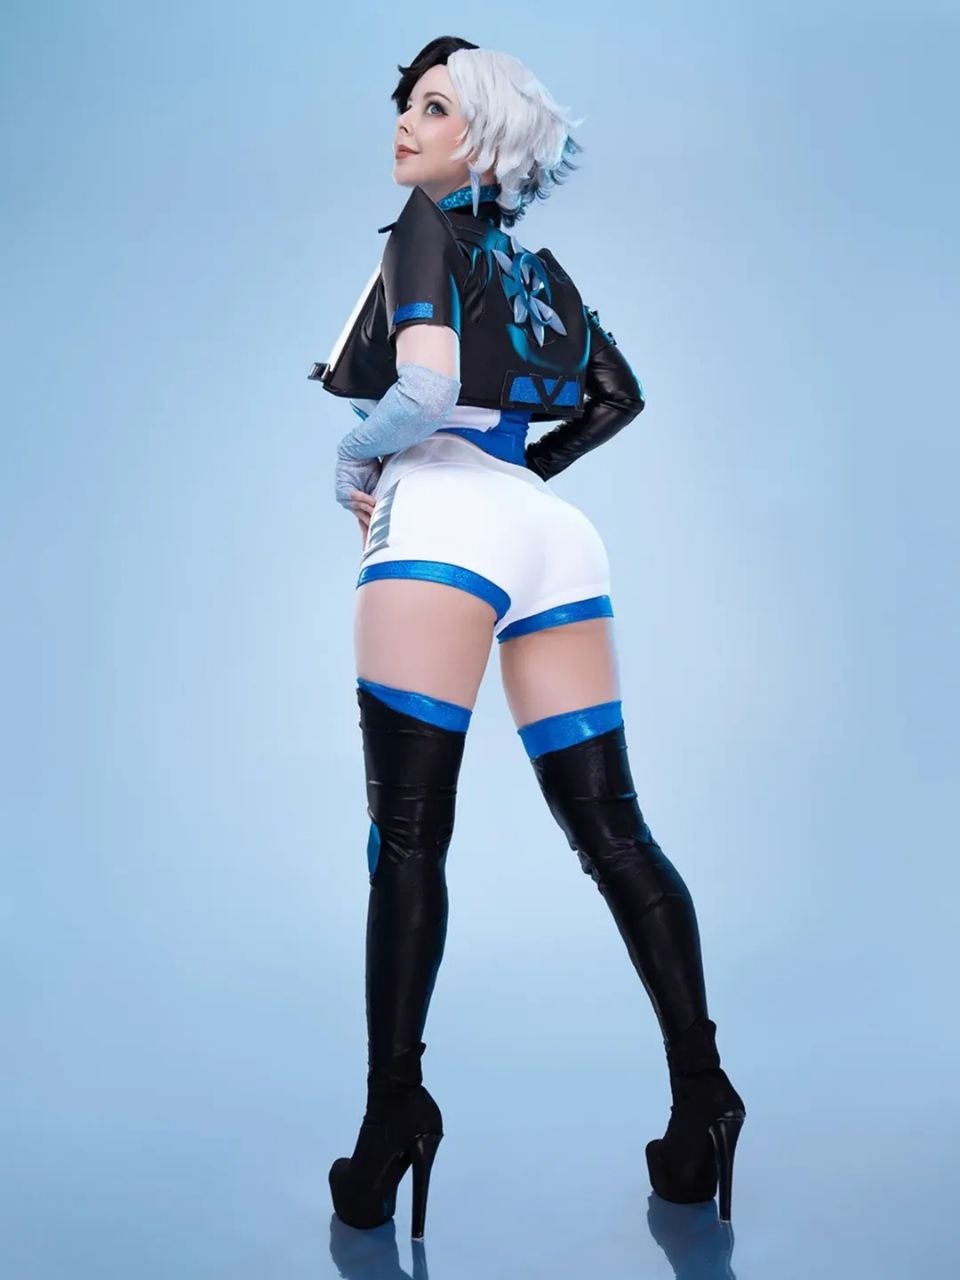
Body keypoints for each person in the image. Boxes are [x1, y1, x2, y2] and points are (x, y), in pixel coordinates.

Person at [310, 36, 746, 1239]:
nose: (406, 122)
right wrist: (524, 486)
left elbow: (423, 390)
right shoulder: (540, 272)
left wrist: (352, 456)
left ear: (481, 138)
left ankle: (393, 1116)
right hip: (554, 539)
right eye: (405, 102)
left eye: (434, 106)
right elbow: (618, 396)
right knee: (615, 830)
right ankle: (704, 1094)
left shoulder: (423, 229)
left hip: (441, 522)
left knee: (407, 839)